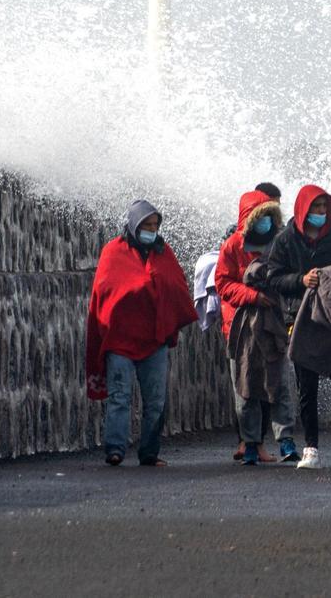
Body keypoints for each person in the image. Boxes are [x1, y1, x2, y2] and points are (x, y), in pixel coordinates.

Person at [86, 200, 198, 467]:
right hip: (120, 340)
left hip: (153, 340)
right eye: (147, 225)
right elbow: (105, 290)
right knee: (120, 397)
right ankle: (114, 449)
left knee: (155, 402)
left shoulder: (163, 252)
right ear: (134, 225)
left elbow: (175, 285)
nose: (152, 229)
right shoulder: (113, 251)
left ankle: (149, 452)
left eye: (155, 225)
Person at [265, 184, 331, 469]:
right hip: (301, 319)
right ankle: (311, 448)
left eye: (324, 208)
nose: (320, 213)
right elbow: (274, 278)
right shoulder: (285, 239)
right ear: (303, 209)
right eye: (316, 208)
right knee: (307, 389)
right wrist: (300, 280)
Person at [215, 190, 298, 464]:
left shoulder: (280, 242)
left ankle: (285, 440)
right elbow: (223, 283)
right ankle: (250, 442)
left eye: (268, 216)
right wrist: (253, 296)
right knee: (245, 385)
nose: (265, 221)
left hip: (274, 323)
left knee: (281, 383)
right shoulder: (233, 246)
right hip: (241, 328)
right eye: (259, 216)